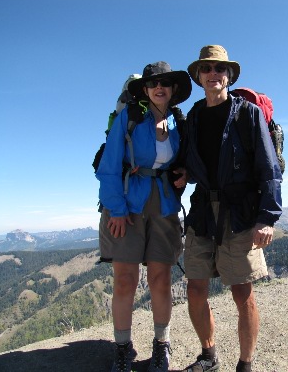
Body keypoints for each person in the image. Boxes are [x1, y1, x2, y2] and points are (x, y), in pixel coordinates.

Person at [181, 45, 282, 372]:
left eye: (220, 69)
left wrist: (267, 217)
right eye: (207, 69)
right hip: (201, 213)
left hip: (239, 214)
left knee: (242, 293)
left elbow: (269, 169)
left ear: (229, 75)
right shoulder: (194, 116)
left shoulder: (247, 114)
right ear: (199, 76)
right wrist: (184, 172)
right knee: (195, 288)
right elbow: (193, 159)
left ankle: (245, 364)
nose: (214, 74)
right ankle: (209, 355)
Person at [96, 61, 191, 372]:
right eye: (153, 84)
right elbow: (108, 166)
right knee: (125, 280)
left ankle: (161, 344)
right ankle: (122, 348)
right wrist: (118, 210)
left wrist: (184, 174)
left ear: (174, 89)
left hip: (163, 205)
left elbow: (186, 162)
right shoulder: (130, 118)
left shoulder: (179, 122)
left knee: (161, 279)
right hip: (128, 204)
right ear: (146, 90)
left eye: (164, 83)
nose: (159, 88)